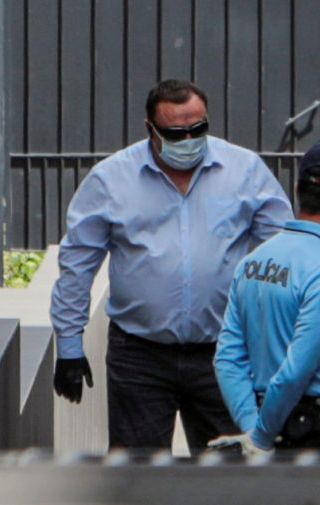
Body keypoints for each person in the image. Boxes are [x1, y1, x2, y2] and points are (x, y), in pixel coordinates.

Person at [50, 79, 292, 450]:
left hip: (225, 354)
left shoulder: (244, 171)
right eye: (176, 133)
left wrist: (272, 334)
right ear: (151, 129)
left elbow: (282, 251)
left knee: (230, 479)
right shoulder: (111, 180)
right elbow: (78, 264)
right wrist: (69, 347)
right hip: (139, 356)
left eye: (198, 129)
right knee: (140, 477)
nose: (189, 140)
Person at [214, 142, 320, 452]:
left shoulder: (252, 262)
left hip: (267, 420)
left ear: (297, 190)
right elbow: (297, 368)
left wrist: (255, 428)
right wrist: (260, 436)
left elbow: (227, 357)